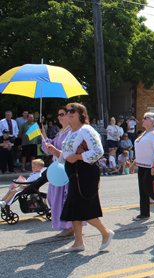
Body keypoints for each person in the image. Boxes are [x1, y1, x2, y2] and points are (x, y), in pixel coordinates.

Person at [45, 103, 114, 252]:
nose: (68, 113)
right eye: (66, 111)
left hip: (85, 173)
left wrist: (77, 157)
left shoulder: (86, 130)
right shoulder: (71, 133)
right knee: (73, 207)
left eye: (72, 111)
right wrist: (55, 151)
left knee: (82, 208)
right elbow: (65, 157)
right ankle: (78, 242)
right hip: (74, 174)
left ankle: (106, 232)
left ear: (81, 114)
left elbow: (98, 152)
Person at [41, 106, 79, 237]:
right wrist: (45, 136)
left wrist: (55, 151)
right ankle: (67, 225)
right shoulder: (61, 132)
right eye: (58, 114)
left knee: (63, 198)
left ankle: (69, 226)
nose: (60, 117)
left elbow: (70, 153)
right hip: (57, 170)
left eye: (62, 114)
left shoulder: (71, 133)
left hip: (65, 170)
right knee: (52, 197)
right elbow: (50, 149)